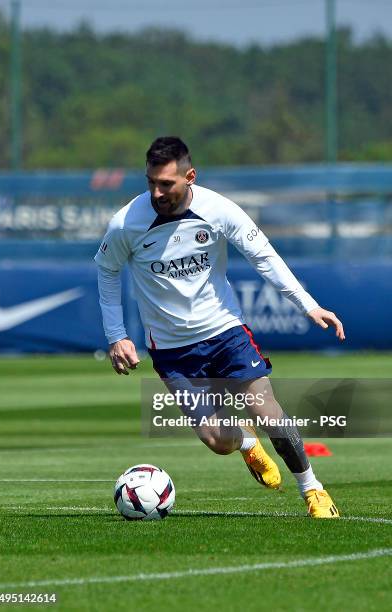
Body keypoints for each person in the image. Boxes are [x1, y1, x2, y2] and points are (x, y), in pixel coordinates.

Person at [95, 136, 345, 519]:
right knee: (216, 440)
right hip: (173, 351)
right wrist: (117, 336)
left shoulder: (219, 209)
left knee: (268, 412)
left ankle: (313, 489)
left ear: (190, 176)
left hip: (226, 333)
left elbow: (263, 256)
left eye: (166, 184)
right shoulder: (126, 224)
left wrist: (308, 305)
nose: (157, 192)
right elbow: (107, 271)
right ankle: (246, 442)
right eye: (151, 183)